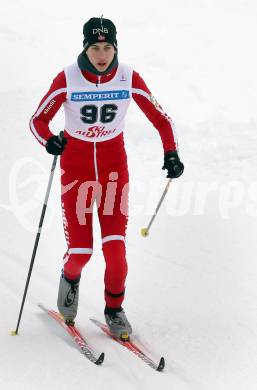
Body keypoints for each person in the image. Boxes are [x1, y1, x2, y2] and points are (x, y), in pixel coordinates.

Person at [29, 16, 184, 340]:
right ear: (85, 48)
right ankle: (69, 280)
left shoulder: (128, 77)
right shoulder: (68, 77)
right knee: (81, 252)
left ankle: (114, 310)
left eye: (108, 47)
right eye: (96, 47)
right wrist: (50, 141)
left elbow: (162, 119)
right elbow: (38, 120)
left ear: (116, 48)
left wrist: (171, 153)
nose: (102, 55)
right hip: (77, 172)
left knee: (116, 252)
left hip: (115, 172)